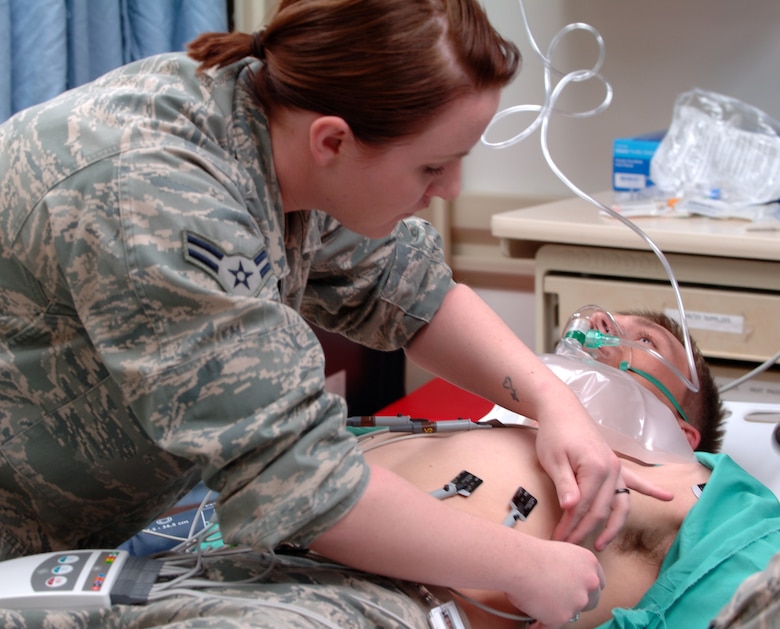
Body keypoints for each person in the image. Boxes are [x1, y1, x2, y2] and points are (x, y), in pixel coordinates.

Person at [0, 1, 663, 627]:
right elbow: (298, 482)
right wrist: (522, 565)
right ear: (334, 141)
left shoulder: (277, 122)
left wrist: (555, 403)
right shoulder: (157, 197)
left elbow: (409, 290)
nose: (450, 190)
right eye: (432, 166)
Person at [361, 309, 780, 628]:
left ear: (681, 431)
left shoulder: (693, 487)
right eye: (614, 318)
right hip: (318, 538)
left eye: (646, 340)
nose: (602, 319)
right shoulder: (504, 425)